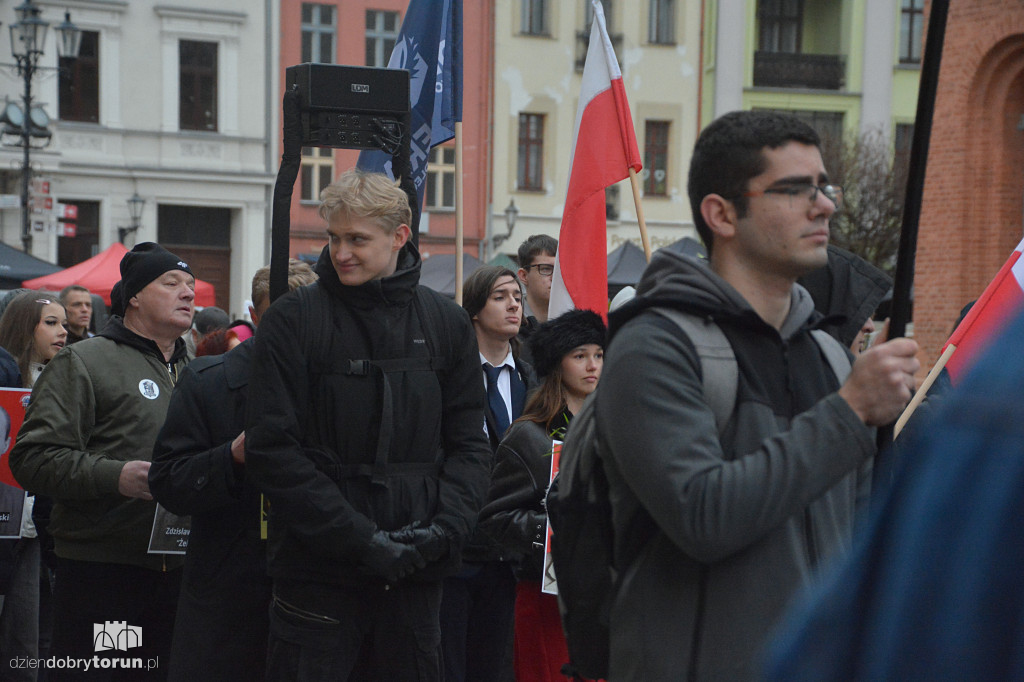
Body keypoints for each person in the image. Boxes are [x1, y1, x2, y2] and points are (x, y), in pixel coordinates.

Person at [593, 110, 920, 681]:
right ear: (721, 214)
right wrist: (849, 413)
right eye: (794, 190)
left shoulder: (828, 353)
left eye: (824, 188)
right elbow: (702, 516)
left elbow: (861, 537)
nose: (824, 206)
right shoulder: (656, 346)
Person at [245, 169, 491, 681]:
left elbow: (470, 443)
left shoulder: (446, 323)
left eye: (357, 239)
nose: (341, 253)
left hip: (416, 572)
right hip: (318, 576)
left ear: (399, 237)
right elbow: (273, 450)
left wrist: (444, 531)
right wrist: (361, 541)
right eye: (334, 238)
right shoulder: (293, 320)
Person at [765, 306, 1024, 681]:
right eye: (861, 317)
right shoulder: (990, 416)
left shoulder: (984, 412)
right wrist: (854, 409)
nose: (869, 325)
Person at [10, 242, 197, 681]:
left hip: (182, 572)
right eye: (171, 283)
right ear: (133, 296)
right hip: (106, 574)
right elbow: (32, 458)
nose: (186, 293)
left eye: (189, 285)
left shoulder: (200, 372)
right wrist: (117, 476)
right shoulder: (85, 361)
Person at [149, 259, 317, 682]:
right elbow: (168, 481)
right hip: (228, 592)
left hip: (314, 588)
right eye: (281, 315)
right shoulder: (208, 382)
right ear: (256, 316)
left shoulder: (338, 382)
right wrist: (230, 457)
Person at [481, 309, 605, 681]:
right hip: (546, 598)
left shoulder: (615, 430)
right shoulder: (529, 436)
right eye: (580, 356)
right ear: (557, 364)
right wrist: (555, 531)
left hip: (603, 601)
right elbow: (494, 519)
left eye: (599, 354)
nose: (592, 366)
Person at [440, 266, 535, 682]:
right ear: (474, 310)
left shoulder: (534, 380)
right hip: (459, 549)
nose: (514, 304)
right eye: (500, 296)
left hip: (509, 554)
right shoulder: (451, 376)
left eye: (517, 296)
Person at [0, 292, 66, 682]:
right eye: (51, 323)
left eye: (64, 324)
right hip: (5, 522)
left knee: (28, 643)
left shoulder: (64, 380)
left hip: (35, 530)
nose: (63, 332)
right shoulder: (7, 379)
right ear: (27, 327)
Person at [515, 235, 557, 366]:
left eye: (560, 270)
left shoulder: (571, 328)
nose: (555, 277)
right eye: (546, 269)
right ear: (524, 276)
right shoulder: (510, 326)